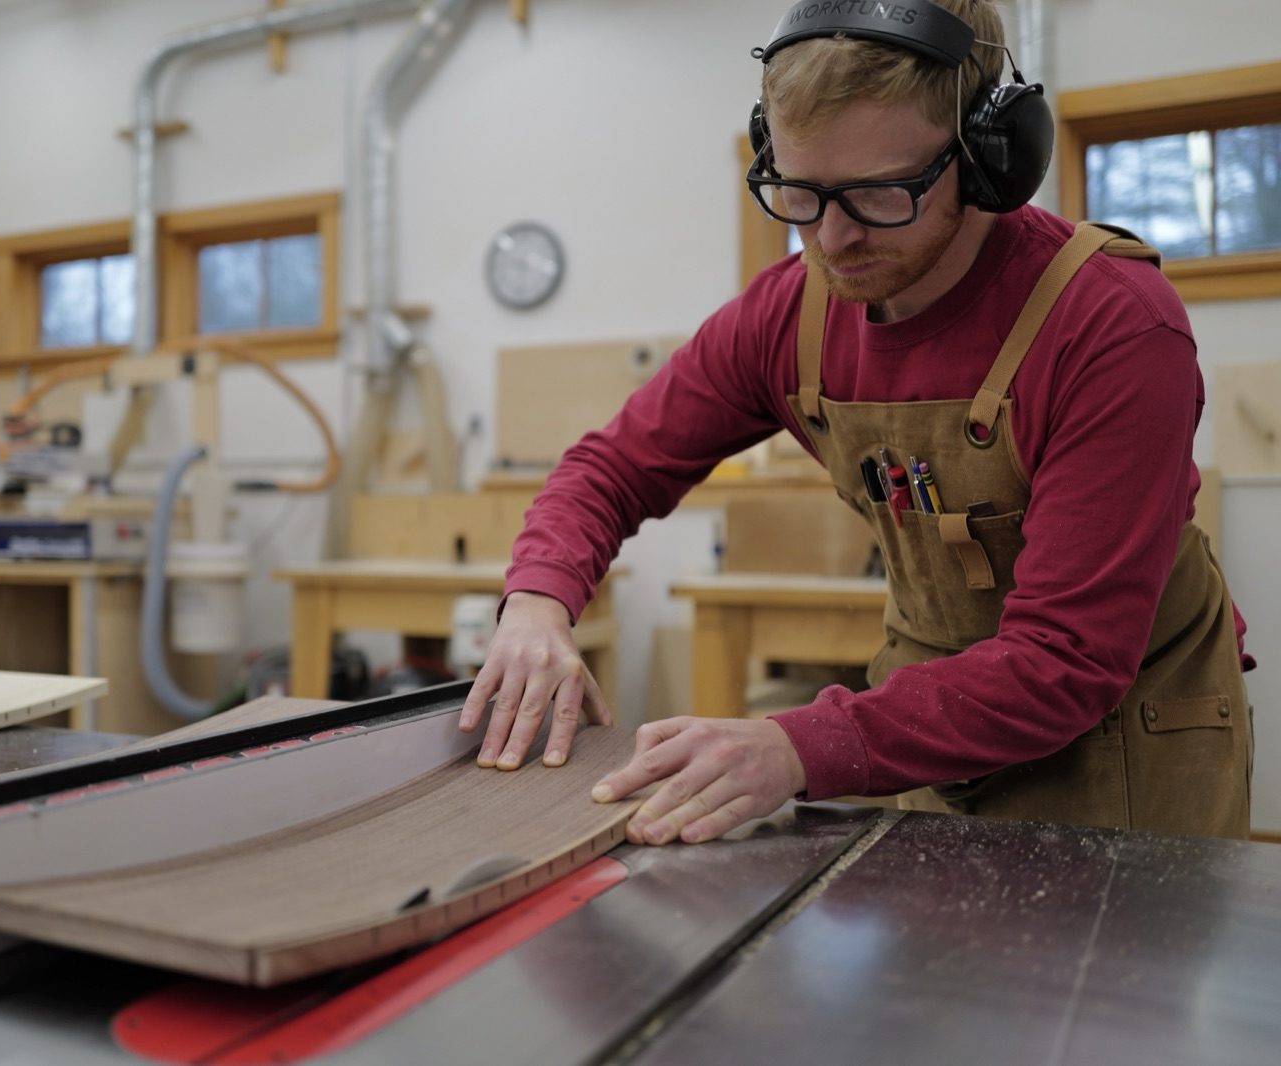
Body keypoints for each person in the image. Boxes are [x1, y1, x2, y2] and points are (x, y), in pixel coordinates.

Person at [458, 0, 1254, 844]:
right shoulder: (790, 317)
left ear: (989, 157)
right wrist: (537, 603)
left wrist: (796, 747)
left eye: (879, 195)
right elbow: (610, 468)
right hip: (917, 734)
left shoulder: (1113, 323)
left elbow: (1065, 660)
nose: (831, 240)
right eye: (798, 192)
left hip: (1127, 744)